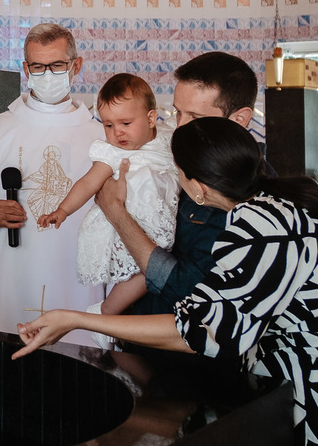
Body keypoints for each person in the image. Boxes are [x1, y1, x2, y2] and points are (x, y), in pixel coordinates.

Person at [14, 117, 318, 446]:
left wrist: (77, 319)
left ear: (197, 188)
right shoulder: (286, 201)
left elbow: (202, 330)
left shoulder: (259, 225)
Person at [0, 22, 104, 340]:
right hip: (10, 272)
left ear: (77, 66)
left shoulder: (100, 135)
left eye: (57, 65)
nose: (47, 74)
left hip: (75, 275)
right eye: (38, 66)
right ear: (25, 68)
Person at [97, 51, 260, 314]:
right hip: (133, 333)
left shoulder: (247, 193)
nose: (180, 127)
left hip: (182, 345)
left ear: (239, 119)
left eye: (195, 117)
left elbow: (190, 290)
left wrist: (115, 211)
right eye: (178, 112)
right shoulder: (174, 158)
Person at [38, 73, 180, 317]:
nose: (117, 133)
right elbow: (87, 183)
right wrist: (63, 210)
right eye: (108, 125)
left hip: (162, 221)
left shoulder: (169, 136)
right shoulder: (111, 153)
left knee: (158, 268)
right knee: (142, 272)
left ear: (151, 118)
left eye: (126, 123)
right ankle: (106, 312)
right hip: (129, 226)